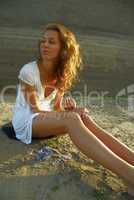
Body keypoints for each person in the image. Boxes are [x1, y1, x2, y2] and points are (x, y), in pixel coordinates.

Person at [12, 23, 134, 196]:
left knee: (83, 117)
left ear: (63, 48)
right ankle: (129, 175)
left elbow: (54, 107)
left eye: (51, 42)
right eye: (43, 41)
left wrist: (69, 110)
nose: (44, 45)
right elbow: (36, 109)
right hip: (26, 121)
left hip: (44, 119)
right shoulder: (28, 71)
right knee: (72, 119)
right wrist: (68, 115)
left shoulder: (62, 73)